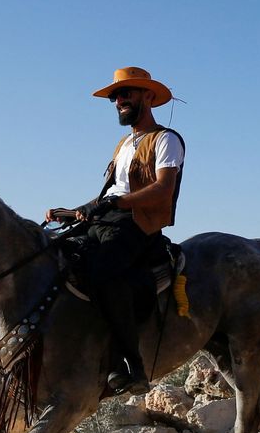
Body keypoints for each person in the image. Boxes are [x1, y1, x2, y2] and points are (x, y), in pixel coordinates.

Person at [46, 67, 185, 395]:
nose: (118, 100)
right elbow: (110, 193)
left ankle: (130, 366)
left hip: (137, 224)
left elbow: (163, 190)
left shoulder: (166, 140)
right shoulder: (123, 144)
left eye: (126, 93)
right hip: (106, 219)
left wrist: (115, 205)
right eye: (115, 96)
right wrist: (76, 210)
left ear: (148, 97)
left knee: (103, 274)